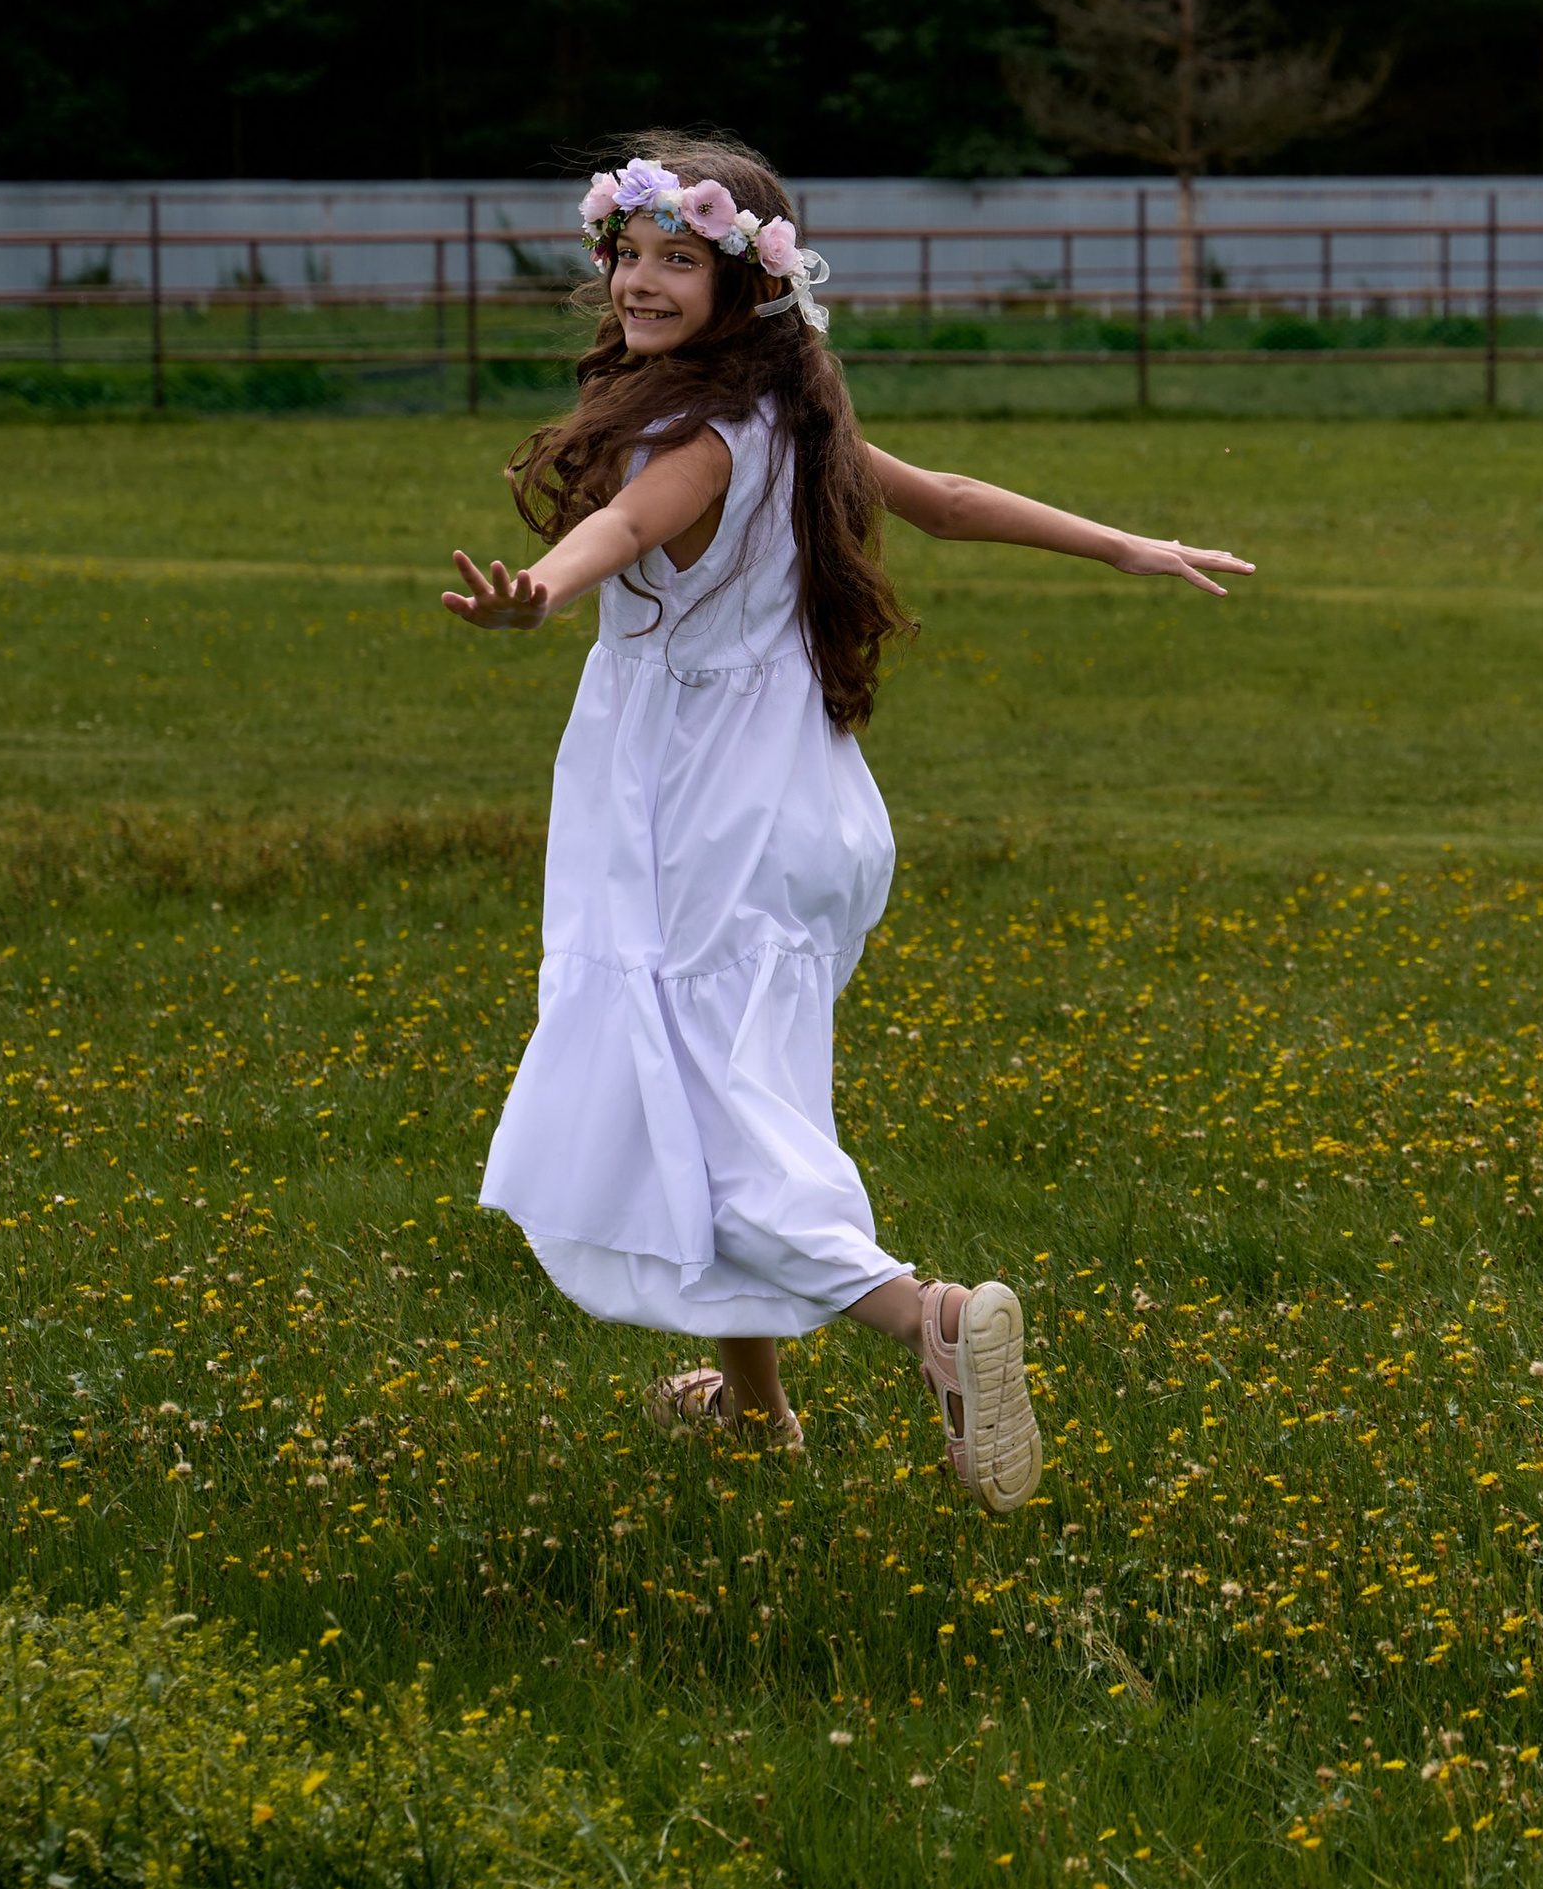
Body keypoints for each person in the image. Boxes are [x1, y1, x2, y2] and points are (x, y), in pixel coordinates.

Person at [443, 135, 1250, 1513]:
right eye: (628, 255)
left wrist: (541, 589)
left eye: (674, 262)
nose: (638, 281)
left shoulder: (694, 441)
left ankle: (925, 1321)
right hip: (798, 800)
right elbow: (940, 505)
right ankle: (755, 1410)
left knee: (693, 1103)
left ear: (743, 285)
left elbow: (629, 526)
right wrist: (1121, 542)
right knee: (734, 1094)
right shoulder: (789, 418)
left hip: (698, 812)